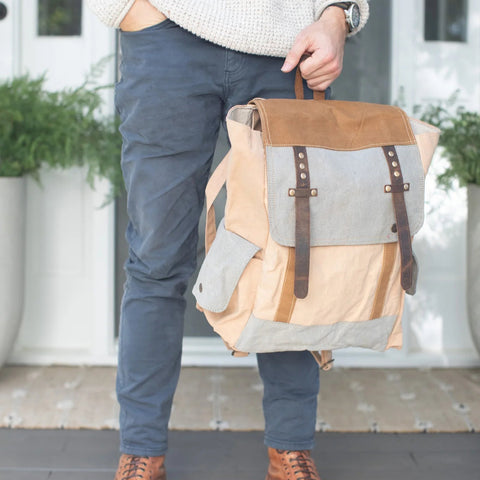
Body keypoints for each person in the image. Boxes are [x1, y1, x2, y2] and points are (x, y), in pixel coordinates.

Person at [87, 1, 369, 479]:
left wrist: (337, 18)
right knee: (156, 257)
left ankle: (290, 449)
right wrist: (127, 8)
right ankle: (141, 451)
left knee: (290, 255)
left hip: (286, 53)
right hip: (166, 40)